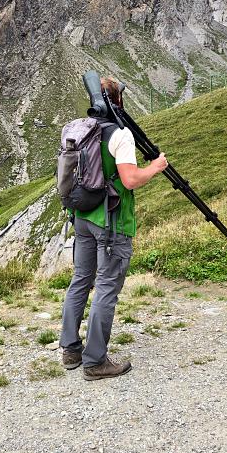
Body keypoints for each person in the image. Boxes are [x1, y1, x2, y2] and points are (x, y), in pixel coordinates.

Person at [59, 77, 168, 380]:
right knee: (107, 286)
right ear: (117, 101)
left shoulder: (80, 127)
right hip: (111, 220)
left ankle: (70, 350)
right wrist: (156, 168)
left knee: (81, 279)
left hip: (81, 215)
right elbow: (130, 180)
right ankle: (95, 362)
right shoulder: (120, 135)